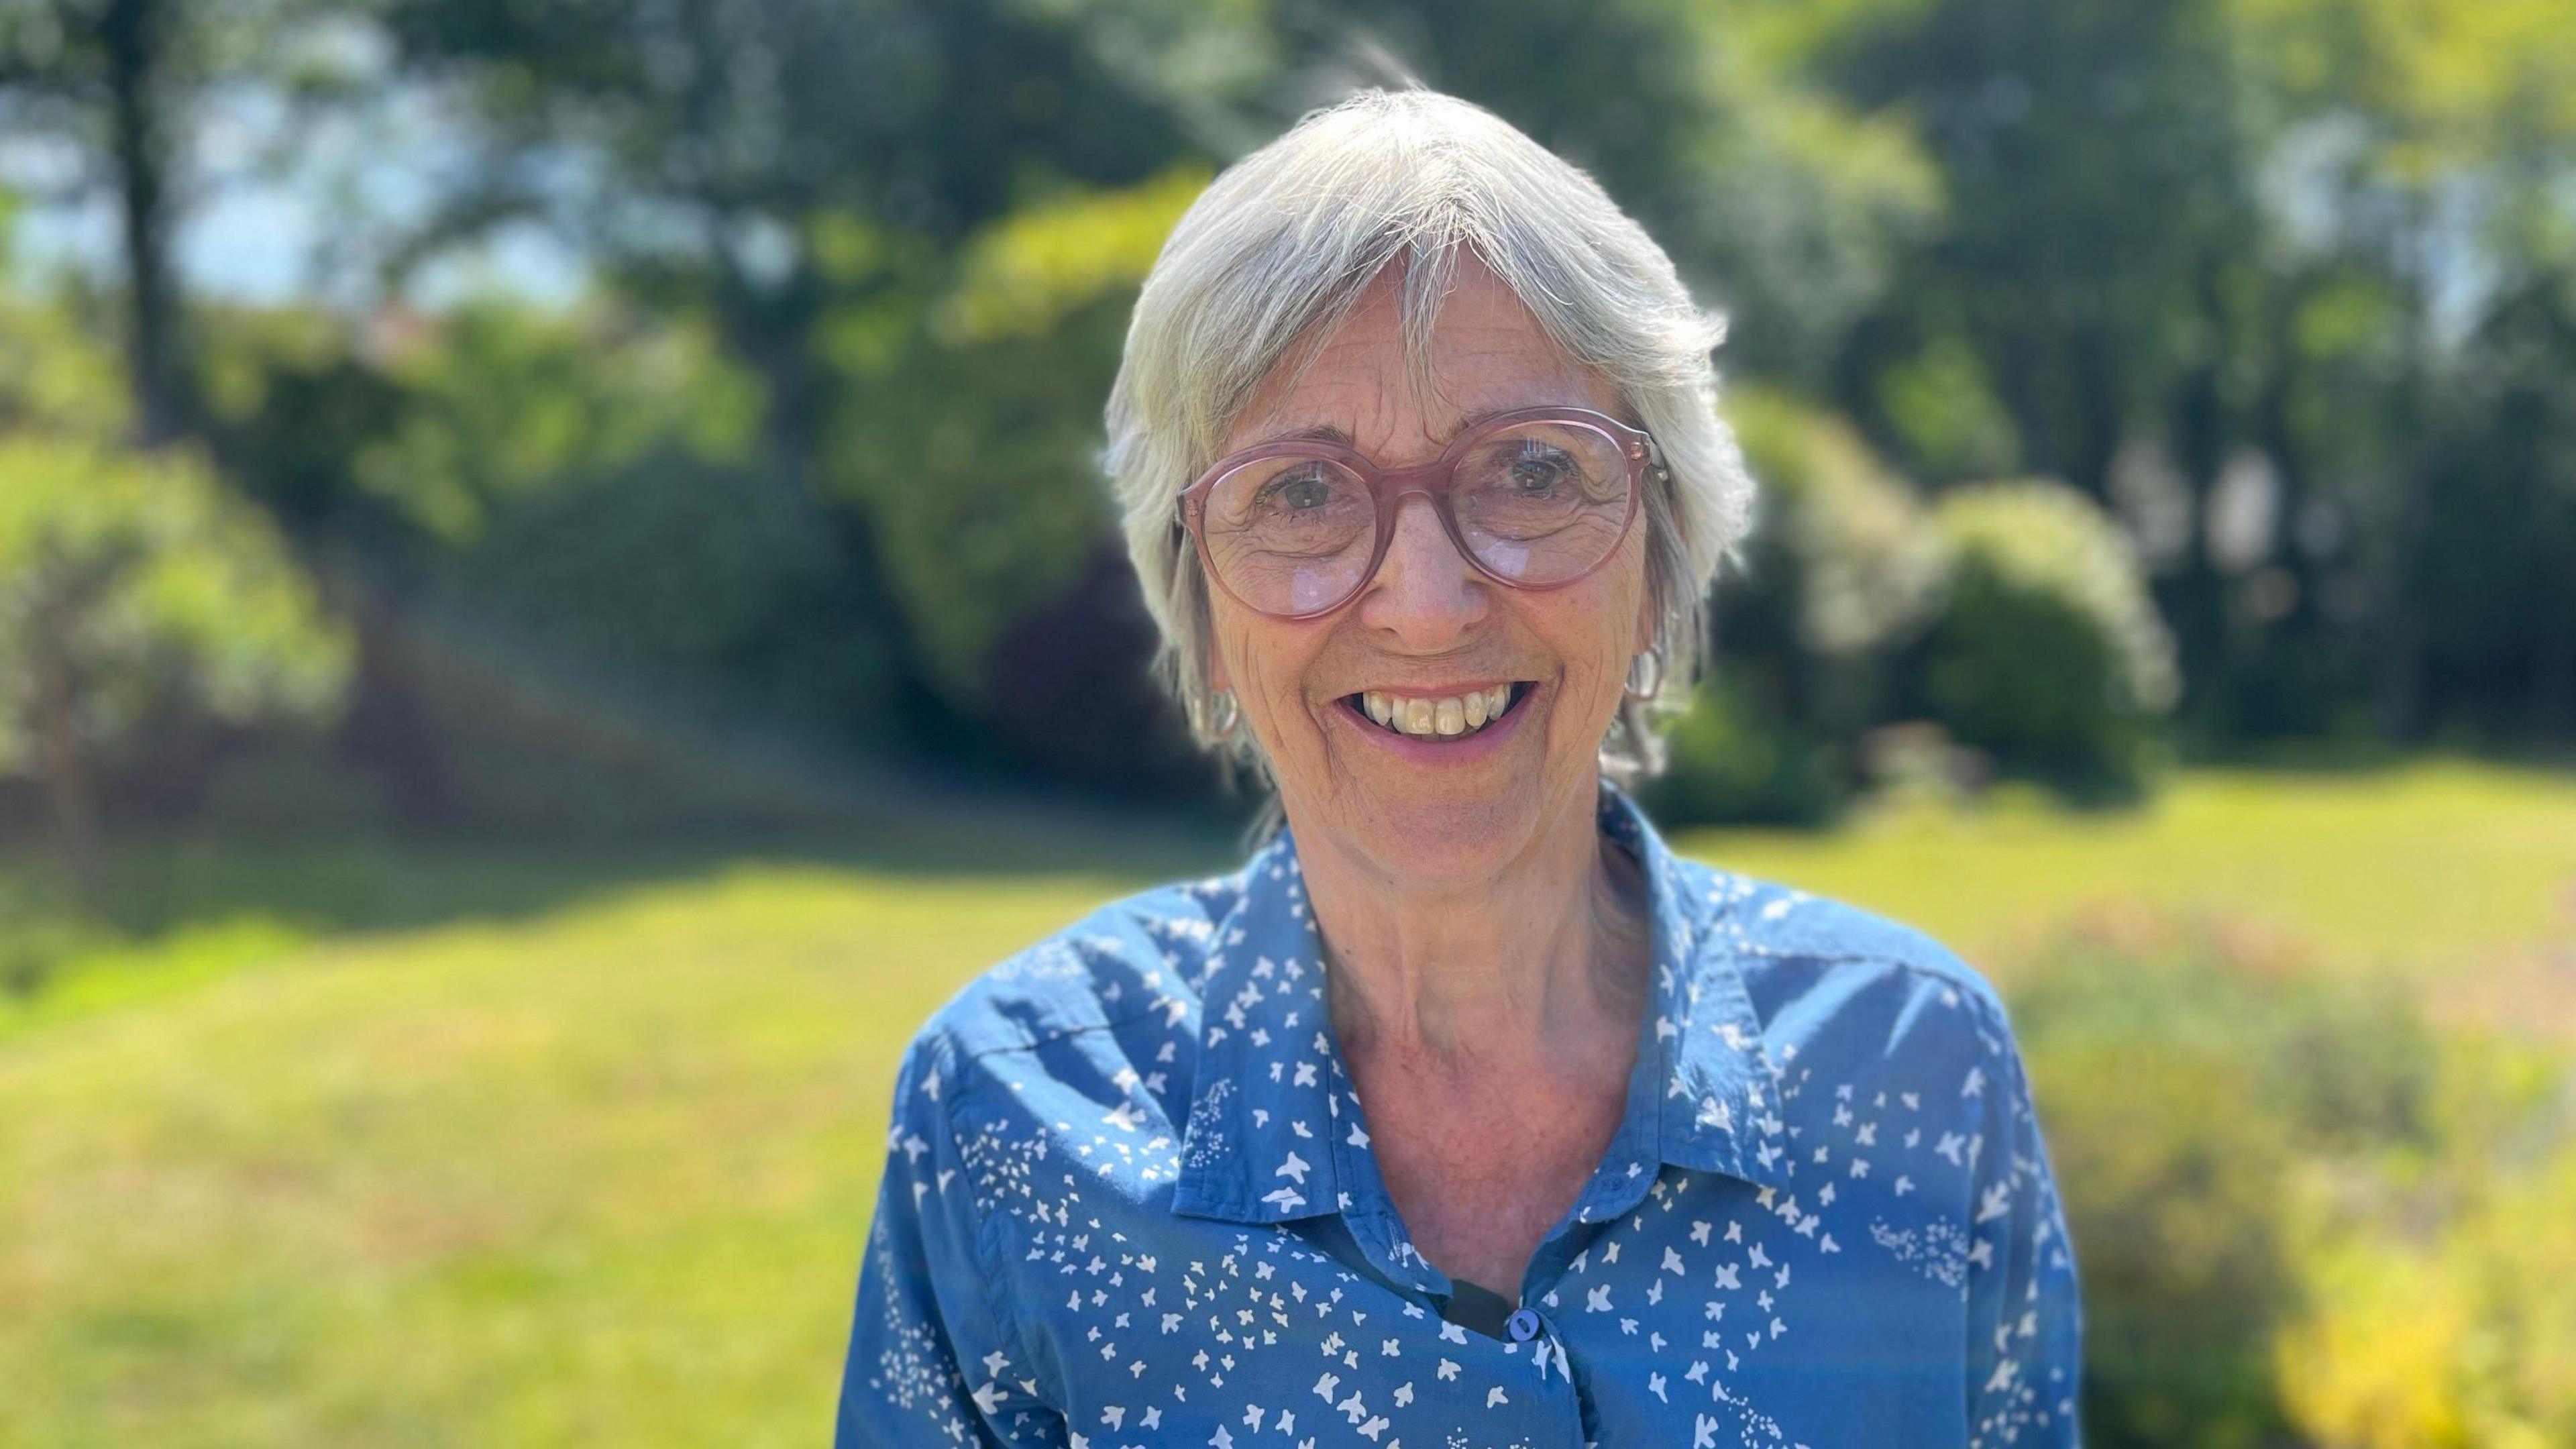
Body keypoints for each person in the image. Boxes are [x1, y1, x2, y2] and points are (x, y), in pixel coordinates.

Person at [834, 87, 2083, 1448]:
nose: (1426, 607)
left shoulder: (1917, 1067)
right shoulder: (1011, 1117)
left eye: (1533, 470)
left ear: (1665, 553)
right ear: (1194, 600)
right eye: (1300, 493)